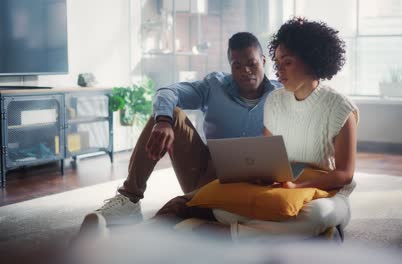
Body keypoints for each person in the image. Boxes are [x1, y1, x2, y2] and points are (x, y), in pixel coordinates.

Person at [82, 32, 282, 226]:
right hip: (206, 177)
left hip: (256, 185)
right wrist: (163, 120)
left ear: (263, 61)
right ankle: (130, 200)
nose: (245, 71)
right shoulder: (215, 86)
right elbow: (168, 92)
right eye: (237, 65)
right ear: (230, 66)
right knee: (171, 114)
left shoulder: (282, 96)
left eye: (251, 63)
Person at [212, 17, 359, 241]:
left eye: (287, 62)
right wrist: (262, 177)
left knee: (317, 215)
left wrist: (299, 185)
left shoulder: (340, 107)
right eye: (277, 63)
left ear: (311, 61)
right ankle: (305, 237)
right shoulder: (274, 101)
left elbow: (344, 174)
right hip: (284, 188)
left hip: (327, 193)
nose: (278, 70)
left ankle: (233, 235)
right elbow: (267, 157)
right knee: (222, 210)